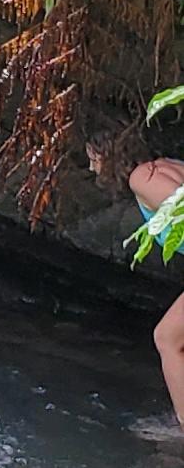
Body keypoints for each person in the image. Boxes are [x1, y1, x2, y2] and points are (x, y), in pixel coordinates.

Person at [88, 131, 184, 431]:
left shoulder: (142, 177)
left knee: (167, 338)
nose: (91, 168)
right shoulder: (166, 164)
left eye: (93, 158)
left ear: (108, 154)